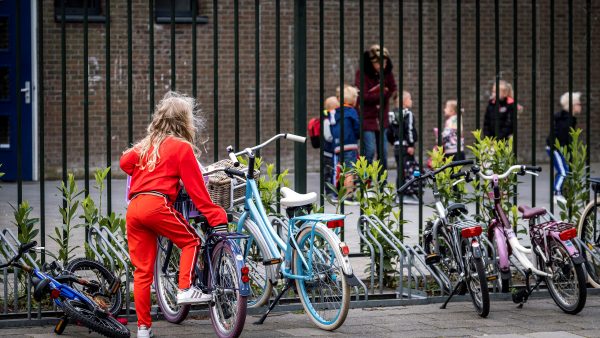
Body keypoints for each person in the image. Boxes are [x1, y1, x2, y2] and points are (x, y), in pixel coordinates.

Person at [120, 91, 228, 338]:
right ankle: (185, 288)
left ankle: (143, 330)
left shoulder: (146, 146)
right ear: (184, 121)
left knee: (142, 273)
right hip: (157, 205)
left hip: (135, 208)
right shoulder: (181, 148)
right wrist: (215, 215)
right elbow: (197, 191)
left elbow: (125, 162)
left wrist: (149, 161)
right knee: (191, 240)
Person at [355, 44, 397, 171]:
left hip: (382, 118)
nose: (382, 66)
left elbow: (393, 89)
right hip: (367, 118)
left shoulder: (387, 73)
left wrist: (383, 93)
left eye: (384, 63)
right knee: (369, 151)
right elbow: (363, 96)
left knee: (383, 152)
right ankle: (365, 180)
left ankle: (381, 182)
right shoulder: (361, 74)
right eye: (379, 63)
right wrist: (382, 93)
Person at [546, 92, 582, 204]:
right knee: (563, 171)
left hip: (560, 148)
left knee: (564, 170)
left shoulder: (569, 118)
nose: (580, 106)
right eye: (578, 104)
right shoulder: (566, 120)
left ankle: (562, 191)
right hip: (555, 148)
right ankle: (556, 194)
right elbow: (562, 138)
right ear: (572, 105)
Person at [330, 84, 361, 205]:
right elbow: (357, 127)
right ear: (353, 99)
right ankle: (348, 196)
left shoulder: (336, 112)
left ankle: (338, 192)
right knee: (350, 170)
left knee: (341, 169)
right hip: (350, 144)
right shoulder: (352, 112)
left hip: (338, 146)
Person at [387, 90, 419, 204]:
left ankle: (400, 193)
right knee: (408, 170)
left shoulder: (391, 115)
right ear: (405, 102)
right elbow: (409, 130)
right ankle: (406, 193)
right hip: (406, 147)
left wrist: (393, 142)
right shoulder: (408, 114)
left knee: (400, 170)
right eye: (410, 99)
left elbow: (389, 132)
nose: (412, 101)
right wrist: (411, 144)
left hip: (397, 147)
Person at [322, 96, 340, 200]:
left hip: (332, 151)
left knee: (333, 171)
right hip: (329, 151)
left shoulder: (332, 118)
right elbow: (328, 136)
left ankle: (334, 191)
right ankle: (330, 192)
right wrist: (336, 139)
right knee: (329, 172)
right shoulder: (327, 120)